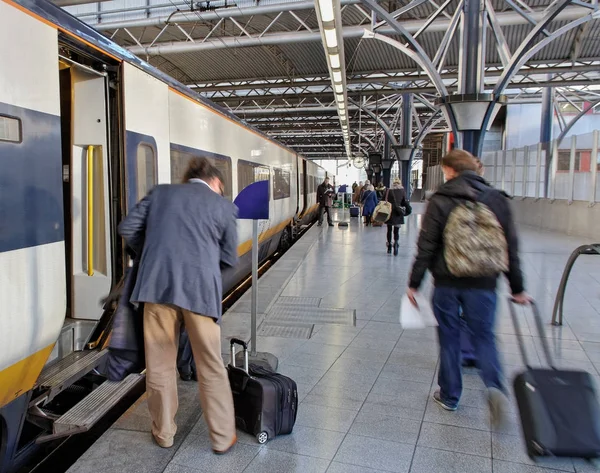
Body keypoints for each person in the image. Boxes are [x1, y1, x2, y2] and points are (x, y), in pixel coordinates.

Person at [118, 157, 238, 454]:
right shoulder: (222, 206)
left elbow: (128, 227)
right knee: (210, 365)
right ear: (216, 183)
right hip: (199, 294)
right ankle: (222, 437)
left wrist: (153, 253)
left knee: (159, 364)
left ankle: (164, 433)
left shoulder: (160, 194)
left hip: (157, 288)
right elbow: (229, 258)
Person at [406, 149, 529, 427]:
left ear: (449, 170)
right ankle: (495, 387)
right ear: (476, 169)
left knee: (449, 338)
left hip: (447, 283)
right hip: (485, 284)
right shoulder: (497, 199)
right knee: (484, 336)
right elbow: (511, 248)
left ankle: (449, 396)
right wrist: (518, 288)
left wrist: (414, 284)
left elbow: (426, 247)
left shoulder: (440, 200)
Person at [384, 179, 408, 256]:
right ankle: (396, 243)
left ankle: (389, 247)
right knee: (396, 230)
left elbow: (383, 200)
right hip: (398, 213)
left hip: (389, 213)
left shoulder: (388, 191)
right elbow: (405, 202)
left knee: (389, 230)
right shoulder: (402, 191)